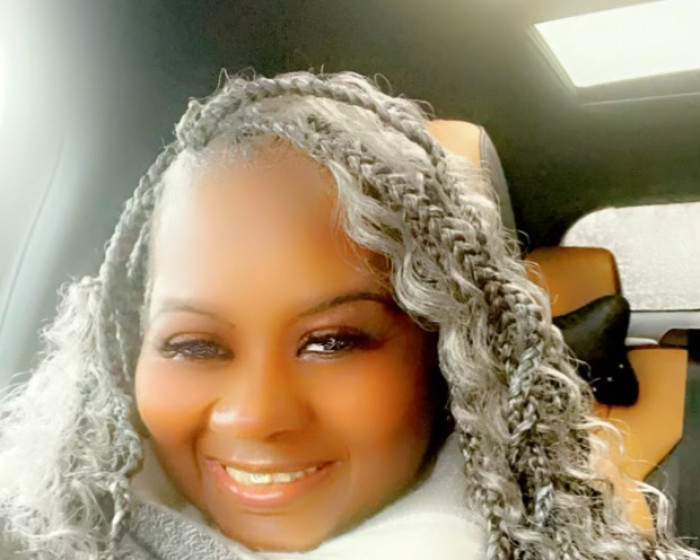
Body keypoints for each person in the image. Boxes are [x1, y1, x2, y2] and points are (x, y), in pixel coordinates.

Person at [0, 70, 697, 560]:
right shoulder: (34, 526)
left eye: (332, 341)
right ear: (125, 352)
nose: (254, 416)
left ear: (446, 360)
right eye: (193, 345)